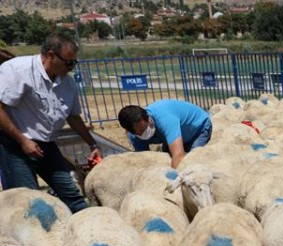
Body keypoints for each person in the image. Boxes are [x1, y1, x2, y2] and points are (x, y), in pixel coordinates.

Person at [0, 33, 100, 213]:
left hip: (46, 146)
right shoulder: (18, 70)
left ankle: (88, 232)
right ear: (51, 55)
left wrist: (92, 143)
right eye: (68, 62)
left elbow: (73, 116)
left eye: (74, 63)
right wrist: (23, 140)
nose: (71, 68)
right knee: (27, 203)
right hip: (15, 146)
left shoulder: (67, 84)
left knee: (73, 197)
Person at [117, 100, 212, 169]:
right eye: (137, 133)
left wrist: (171, 183)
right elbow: (145, 161)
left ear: (149, 119)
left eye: (143, 129)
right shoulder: (133, 135)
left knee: (191, 163)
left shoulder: (165, 119)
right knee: (166, 161)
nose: (142, 134)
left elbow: (178, 155)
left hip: (197, 128)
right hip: (171, 134)